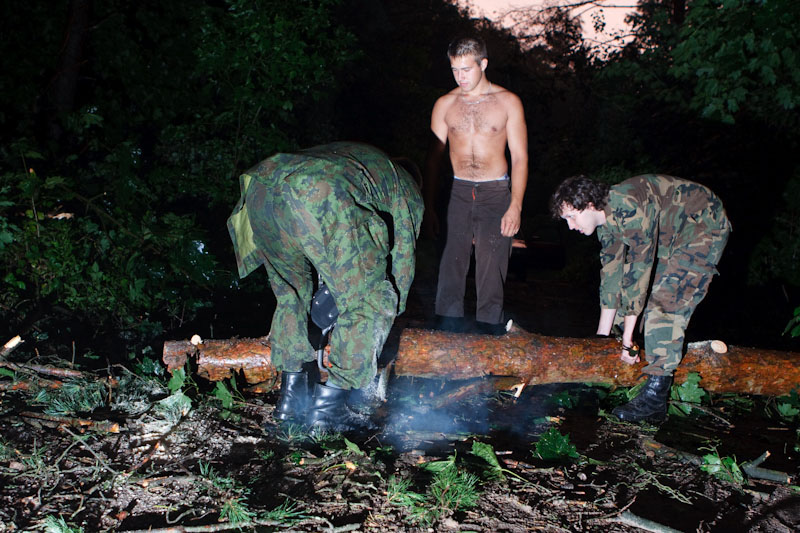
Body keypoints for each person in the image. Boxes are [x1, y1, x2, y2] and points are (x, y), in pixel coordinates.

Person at [227, 142, 423, 433]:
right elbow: (403, 262)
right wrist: (388, 313)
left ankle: (291, 402)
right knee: (370, 298)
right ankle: (329, 412)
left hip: (261, 190)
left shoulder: (359, 164)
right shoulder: (406, 187)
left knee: (290, 296)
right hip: (317, 194)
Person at [550, 174, 731, 423]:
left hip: (703, 227)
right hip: (674, 238)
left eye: (572, 216)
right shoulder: (607, 224)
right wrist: (602, 337)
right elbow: (612, 277)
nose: (571, 226)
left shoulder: (628, 206)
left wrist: (628, 339)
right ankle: (612, 378)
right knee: (623, 317)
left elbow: (639, 273)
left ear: (589, 204)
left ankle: (655, 398)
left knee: (665, 303)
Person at [424, 36, 528, 335]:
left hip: (495, 193)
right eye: (455, 70)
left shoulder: (508, 102)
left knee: (491, 269)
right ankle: (446, 337)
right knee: (450, 265)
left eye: (466, 69)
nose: (461, 77)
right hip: (456, 192)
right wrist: (429, 206)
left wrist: (516, 205)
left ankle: (489, 336)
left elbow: (520, 157)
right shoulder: (445, 104)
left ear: (483, 64)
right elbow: (433, 160)